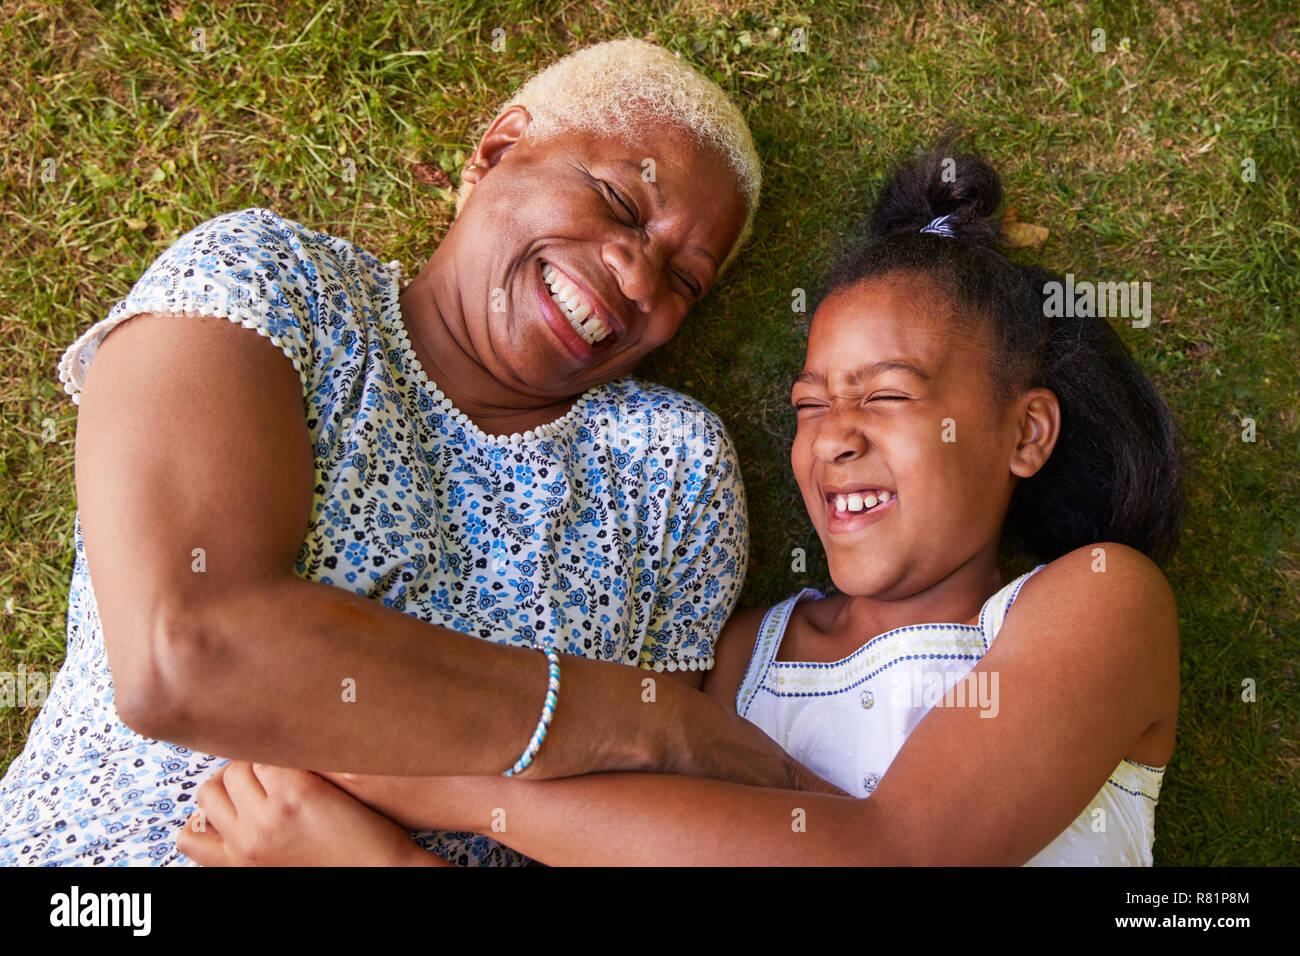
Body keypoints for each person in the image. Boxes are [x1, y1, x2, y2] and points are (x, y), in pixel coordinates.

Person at [179, 144, 1184, 866]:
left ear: (1025, 433)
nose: (831, 435)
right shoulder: (742, 658)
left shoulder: (1096, 601)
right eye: (807, 405)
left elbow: (897, 848)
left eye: (885, 394)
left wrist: (406, 786)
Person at [0, 38, 820, 868]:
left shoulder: (672, 469)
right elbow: (191, 651)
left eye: (686, 280)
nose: (641, 281)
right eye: (620, 202)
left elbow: (622, 836)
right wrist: (649, 720)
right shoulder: (272, 285)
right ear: (497, 151)